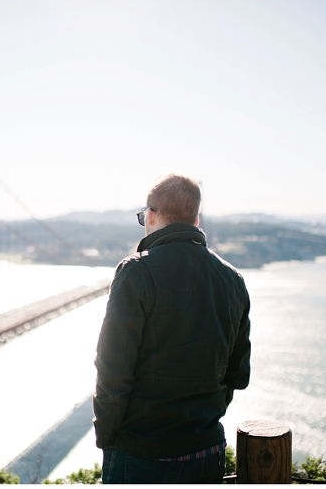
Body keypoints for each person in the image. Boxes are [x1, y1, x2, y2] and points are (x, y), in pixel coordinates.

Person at [93, 173, 251, 484]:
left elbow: (113, 370)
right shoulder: (233, 280)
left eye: (143, 216)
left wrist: (108, 438)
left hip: (139, 453)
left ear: (151, 215)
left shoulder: (135, 272)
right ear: (196, 219)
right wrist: (201, 421)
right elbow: (238, 375)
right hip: (206, 452)